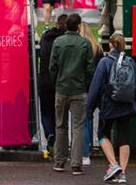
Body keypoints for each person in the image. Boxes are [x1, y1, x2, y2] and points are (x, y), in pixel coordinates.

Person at [87, 32, 136, 185]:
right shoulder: (130, 62)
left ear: (110, 45)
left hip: (109, 104)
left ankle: (113, 164)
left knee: (103, 133)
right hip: (126, 105)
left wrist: (89, 108)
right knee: (124, 137)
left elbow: (95, 86)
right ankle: (122, 173)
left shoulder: (104, 62)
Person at [50, 13, 95, 175]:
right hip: (78, 89)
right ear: (78, 26)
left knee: (60, 126)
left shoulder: (58, 42)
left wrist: (56, 82)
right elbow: (90, 68)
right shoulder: (84, 43)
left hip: (61, 88)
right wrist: (86, 84)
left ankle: (59, 161)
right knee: (78, 127)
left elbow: (52, 67)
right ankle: (76, 163)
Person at [39, 13, 68, 149]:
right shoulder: (65, 40)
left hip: (44, 79)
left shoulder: (45, 37)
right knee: (60, 114)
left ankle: (49, 134)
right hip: (60, 80)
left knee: (45, 111)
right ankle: (59, 139)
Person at [79, 21, 104, 166]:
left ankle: (85, 154)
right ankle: (102, 146)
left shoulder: (81, 48)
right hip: (97, 89)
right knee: (97, 119)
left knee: (84, 121)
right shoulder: (98, 48)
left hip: (83, 89)